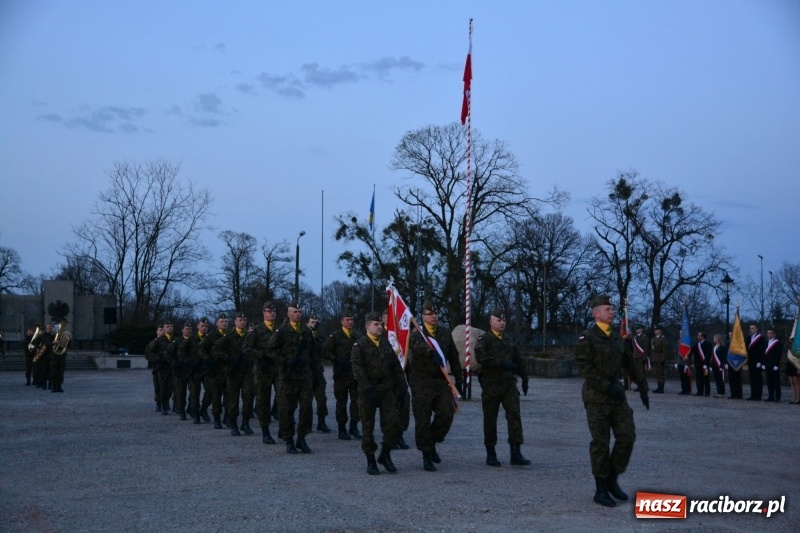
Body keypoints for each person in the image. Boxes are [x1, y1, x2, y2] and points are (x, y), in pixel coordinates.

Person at [575, 295, 649, 508]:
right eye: (607, 309)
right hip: (596, 398)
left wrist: (642, 387)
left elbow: (630, 363)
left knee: (627, 436)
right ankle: (600, 489)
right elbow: (585, 369)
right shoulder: (587, 337)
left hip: (617, 398)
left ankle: (612, 479)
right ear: (596, 313)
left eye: (613, 309)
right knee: (601, 442)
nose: (612, 312)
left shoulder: (617, 337)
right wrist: (607, 386)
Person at [407, 300, 462, 472]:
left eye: (436, 313)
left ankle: (431, 443)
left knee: (446, 413)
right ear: (423, 317)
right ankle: (426, 455)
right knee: (422, 419)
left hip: (440, 381)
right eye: (430, 314)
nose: (434, 316)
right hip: (421, 381)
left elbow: (453, 355)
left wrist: (459, 378)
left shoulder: (444, 333)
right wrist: (431, 352)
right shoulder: (417, 333)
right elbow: (417, 346)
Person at [474, 307, 531, 468]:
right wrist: (500, 363)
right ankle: (491, 453)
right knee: (490, 419)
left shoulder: (509, 340)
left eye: (504, 320)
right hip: (491, 385)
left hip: (509, 385)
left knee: (514, 416)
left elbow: (519, 360)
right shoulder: (484, 340)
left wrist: (525, 378)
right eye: (498, 320)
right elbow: (481, 357)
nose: (502, 323)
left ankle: (516, 452)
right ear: (491, 321)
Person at [351, 311, 406, 475]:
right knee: (368, 427)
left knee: (393, 423)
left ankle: (385, 454)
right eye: (376, 324)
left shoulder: (385, 344)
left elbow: (395, 367)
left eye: (381, 324)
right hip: (367, 392)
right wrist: (368, 389)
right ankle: (370, 460)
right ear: (367, 326)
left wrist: (402, 387)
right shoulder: (359, 345)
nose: (380, 327)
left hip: (385, 390)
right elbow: (357, 368)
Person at [266, 303, 315, 454]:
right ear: (288, 314)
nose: (297, 314)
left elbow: (314, 352)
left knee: (306, 408)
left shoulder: (306, 331)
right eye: (294, 312)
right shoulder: (281, 331)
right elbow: (269, 350)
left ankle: (301, 438)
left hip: (304, 376)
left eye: (299, 311)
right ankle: (289, 440)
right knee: (286, 410)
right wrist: (284, 360)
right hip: (288, 377)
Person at [243, 301, 281, 444]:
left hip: (277, 369)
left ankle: (283, 427)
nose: (272, 313)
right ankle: (265, 431)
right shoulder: (256, 331)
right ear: (263, 313)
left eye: (274, 311)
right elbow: (246, 348)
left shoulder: (280, 329)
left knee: (283, 398)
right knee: (263, 401)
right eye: (269, 311)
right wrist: (260, 355)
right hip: (262, 370)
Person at [321, 309, 361, 440]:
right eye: (347, 320)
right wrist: (336, 359)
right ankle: (342, 428)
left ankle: (354, 426)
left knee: (357, 402)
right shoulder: (335, 336)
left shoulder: (356, 335)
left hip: (354, 375)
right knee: (341, 403)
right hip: (341, 375)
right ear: (342, 321)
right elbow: (325, 351)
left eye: (352, 320)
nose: (350, 322)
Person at [215, 312, 254, 436]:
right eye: (240, 320)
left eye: (244, 319)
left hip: (247, 371)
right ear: (235, 321)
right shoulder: (229, 336)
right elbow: (217, 348)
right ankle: (234, 424)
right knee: (233, 400)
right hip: (233, 372)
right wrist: (228, 359)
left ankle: (245, 423)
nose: (242, 322)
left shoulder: (250, 336)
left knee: (248, 397)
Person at [201, 314, 229, 428]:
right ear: (217, 323)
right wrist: (208, 359)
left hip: (228, 369)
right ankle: (217, 418)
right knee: (216, 396)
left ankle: (227, 417)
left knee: (229, 395)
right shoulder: (211, 336)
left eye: (225, 321)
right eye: (221, 321)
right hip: (215, 370)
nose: (224, 323)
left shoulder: (230, 335)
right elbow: (201, 349)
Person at [180, 317, 210, 424]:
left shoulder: (209, 338)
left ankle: (203, 409)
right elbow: (181, 352)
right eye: (202, 325)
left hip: (206, 370)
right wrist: (188, 362)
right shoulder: (191, 339)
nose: (204, 327)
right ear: (198, 326)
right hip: (195, 370)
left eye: (206, 326)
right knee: (194, 393)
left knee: (210, 390)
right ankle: (196, 413)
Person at [307, 313, 331, 434]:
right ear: (307, 324)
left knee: (321, 398)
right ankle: (307, 423)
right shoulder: (303, 336)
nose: (314, 324)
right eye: (312, 322)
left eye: (316, 322)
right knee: (306, 399)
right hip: (306, 371)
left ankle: (321, 422)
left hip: (318, 371)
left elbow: (325, 351)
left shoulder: (320, 338)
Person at [166, 322, 192, 419]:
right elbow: (167, 353)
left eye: (190, 329)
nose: (188, 331)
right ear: (182, 330)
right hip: (180, 370)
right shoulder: (177, 341)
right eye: (186, 329)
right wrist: (174, 363)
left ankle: (191, 408)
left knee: (193, 391)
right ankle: (181, 410)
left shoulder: (194, 341)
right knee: (180, 392)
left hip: (192, 369)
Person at [155, 321, 175, 415]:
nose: (170, 328)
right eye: (167, 326)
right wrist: (158, 359)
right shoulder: (158, 340)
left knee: (171, 387)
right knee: (161, 386)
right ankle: (161, 404)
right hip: (161, 367)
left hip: (172, 367)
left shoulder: (175, 339)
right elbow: (149, 352)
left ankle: (166, 402)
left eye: (171, 326)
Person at [145, 326, 165, 412]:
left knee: (169, 387)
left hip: (168, 368)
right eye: (161, 330)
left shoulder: (168, 342)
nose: (162, 332)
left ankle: (166, 403)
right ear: (157, 331)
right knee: (158, 386)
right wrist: (157, 359)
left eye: (163, 330)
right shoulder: (154, 343)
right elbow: (147, 354)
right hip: (158, 367)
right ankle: (158, 403)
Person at [746, 324, 766, 401]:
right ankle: (753, 394)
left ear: (756, 329)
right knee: (752, 378)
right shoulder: (748, 338)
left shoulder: (760, 338)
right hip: (750, 361)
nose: (751, 330)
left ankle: (758, 395)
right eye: (750, 328)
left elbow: (762, 350)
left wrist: (760, 361)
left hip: (757, 361)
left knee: (758, 379)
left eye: (753, 328)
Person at [49, 322, 70, 393]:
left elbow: (67, 345)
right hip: (54, 357)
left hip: (61, 356)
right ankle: (54, 387)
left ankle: (59, 386)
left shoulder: (64, 336)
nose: (59, 330)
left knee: (61, 372)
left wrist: (69, 339)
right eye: (57, 328)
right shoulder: (51, 335)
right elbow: (47, 343)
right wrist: (53, 342)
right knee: (54, 372)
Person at [764, 326, 783, 402]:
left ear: (774, 334)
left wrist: (776, 364)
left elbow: (778, 354)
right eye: (768, 333)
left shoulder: (777, 343)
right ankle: (771, 396)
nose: (769, 334)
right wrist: (764, 363)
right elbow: (764, 354)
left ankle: (778, 397)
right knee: (769, 381)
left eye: (770, 333)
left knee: (776, 381)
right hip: (768, 364)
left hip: (774, 365)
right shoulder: (766, 342)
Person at [630, 324, 650, 391]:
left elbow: (646, 348)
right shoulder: (634, 338)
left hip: (641, 356)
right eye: (636, 329)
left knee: (641, 372)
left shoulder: (644, 337)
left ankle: (643, 386)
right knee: (637, 372)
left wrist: (644, 358)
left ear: (641, 329)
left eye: (638, 328)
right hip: (635, 356)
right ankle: (639, 386)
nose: (637, 330)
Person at [692, 332, 712, 397]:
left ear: (702, 337)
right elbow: (692, 350)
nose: (697, 336)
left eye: (699, 335)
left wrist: (706, 363)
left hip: (704, 365)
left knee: (706, 378)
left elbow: (708, 354)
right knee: (698, 378)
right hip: (697, 364)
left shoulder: (708, 344)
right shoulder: (697, 344)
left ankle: (707, 392)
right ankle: (699, 391)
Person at [650, 325, 666, 393]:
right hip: (654, 357)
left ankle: (661, 388)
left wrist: (663, 359)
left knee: (661, 373)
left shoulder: (663, 338)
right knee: (657, 373)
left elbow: (665, 350)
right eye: (654, 330)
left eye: (656, 330)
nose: (655, 331)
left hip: (660, 357)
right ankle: (658, 387)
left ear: (660, 331)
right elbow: (652, 350)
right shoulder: (653, 339)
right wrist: (651, 359)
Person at [787, 336, 799, 404]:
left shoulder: (797, 347)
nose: (790, 340)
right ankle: (794, 398)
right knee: (791, 382)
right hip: (790, 364)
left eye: (791, 339)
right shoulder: (789, 347)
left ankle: (798, 398)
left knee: (796, 382)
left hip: (796, 365)